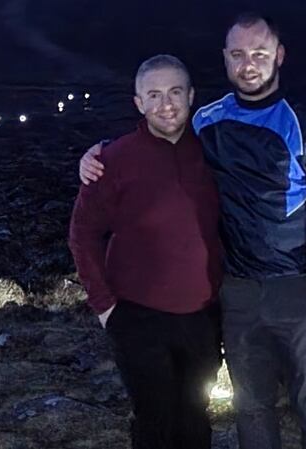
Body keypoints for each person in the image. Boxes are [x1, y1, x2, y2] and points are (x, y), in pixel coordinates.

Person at [79, 13, 306, 449]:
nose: (247, 64)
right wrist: (97, 154)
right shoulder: (207, 122)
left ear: (279, 56)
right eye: (237, 54)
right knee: (250, 405)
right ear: (226, 59)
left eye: (258, 53)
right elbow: (158, 136)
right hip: (235, 292)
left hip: (298, 289)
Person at [68, 54, 221, 449]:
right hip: (137, 317)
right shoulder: (112, 160)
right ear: (138, 102)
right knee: (154, 421)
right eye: (153, 94)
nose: (166, 104)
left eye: (174, 92)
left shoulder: (216, 152)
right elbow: (82, 235)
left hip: (204, 317)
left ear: (191, 96)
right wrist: (104, 307)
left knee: (195, 418)